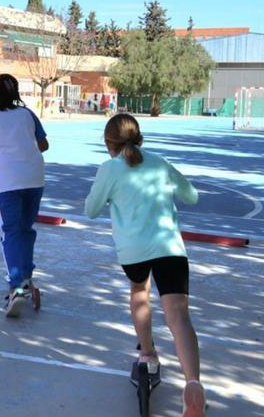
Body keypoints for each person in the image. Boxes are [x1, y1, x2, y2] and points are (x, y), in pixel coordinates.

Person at [84, 114, 205, 417]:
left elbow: (90, 210)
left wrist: (114, 197)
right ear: (139, 138)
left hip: (133, 251)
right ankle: (193, 384)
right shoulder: (160, 162)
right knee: (178, 316)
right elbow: (192, 195)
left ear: (108, 144)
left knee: (140, 292)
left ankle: (147, 355)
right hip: (170, 248)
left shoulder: (109, 169)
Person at [0, 73, 49, 317]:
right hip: (34, 177)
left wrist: (5, 155)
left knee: (10, 233)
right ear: (16, 93)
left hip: (9, 182)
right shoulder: (28, 115)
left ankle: (16, 284)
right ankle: (26, 277)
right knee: (26, 229)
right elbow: (44, 145)